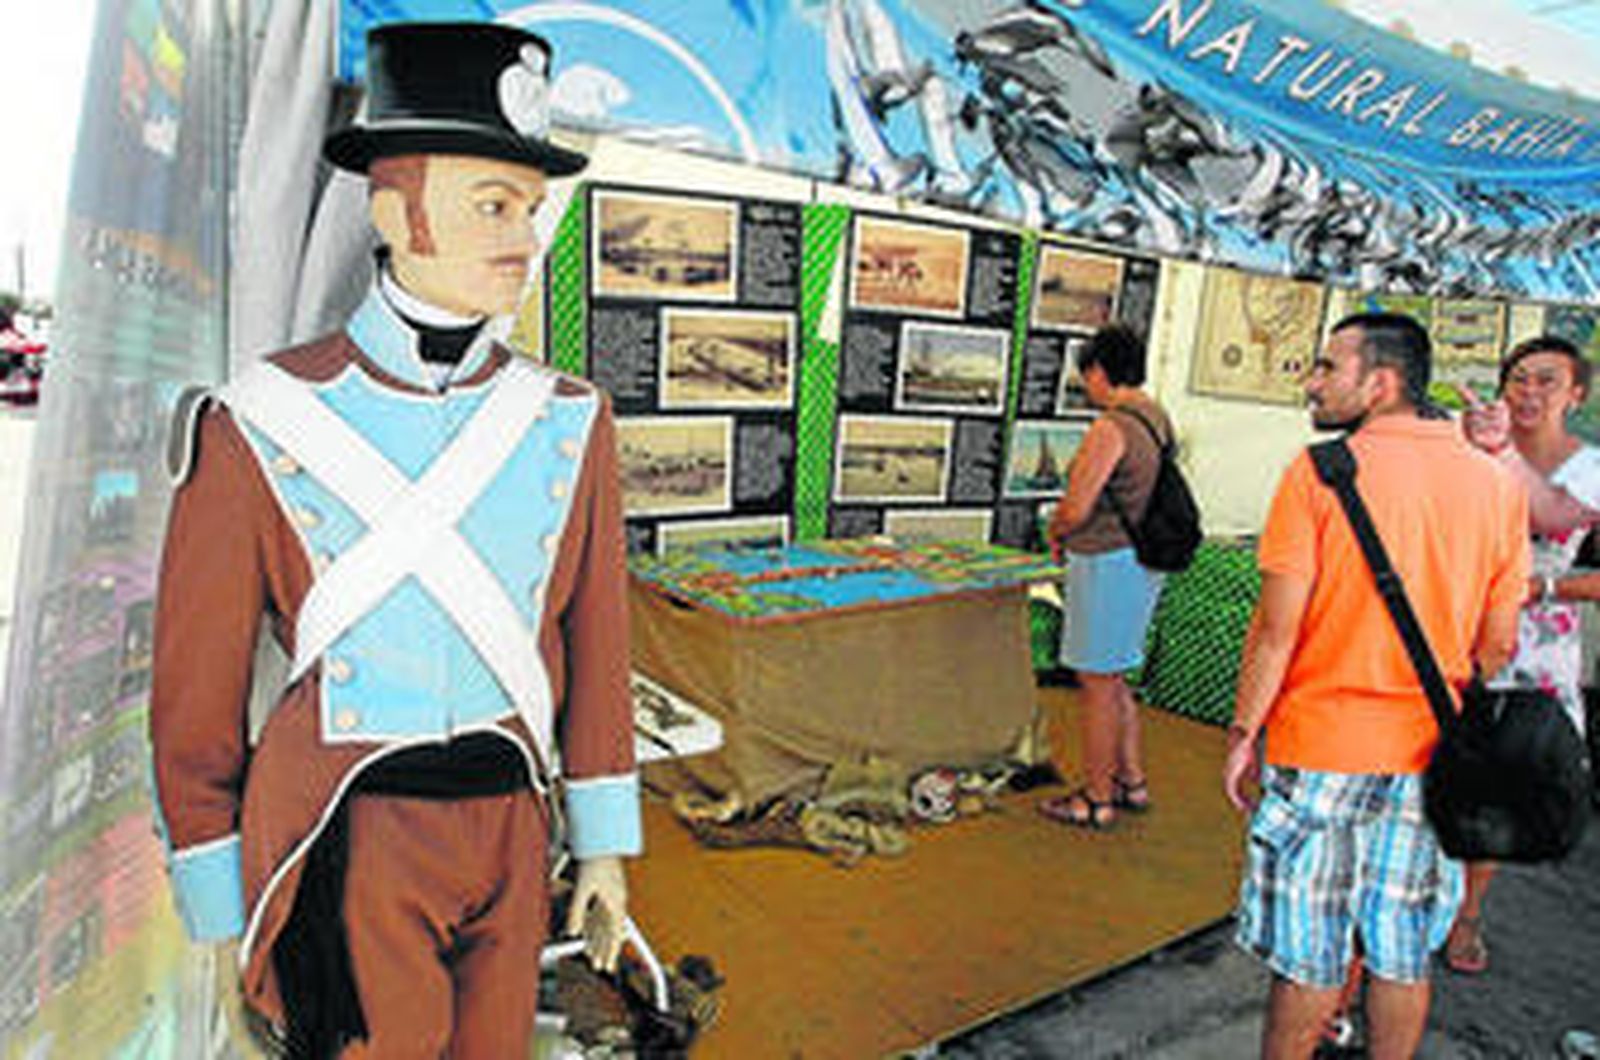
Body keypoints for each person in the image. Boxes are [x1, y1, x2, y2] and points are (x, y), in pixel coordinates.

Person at [149, 23, 639, 1058]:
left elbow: (599, 644)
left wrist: (603, 845)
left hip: (516, 827)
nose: (525, 239)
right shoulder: (257, 421)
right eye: (493, 205)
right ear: (393, 211)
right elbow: (196, 695)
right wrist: (219, 902)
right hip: (346, 835)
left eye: (531, 209)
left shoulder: (571, 418)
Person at [1224, 312, 1529, 1059]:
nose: (1313, 382)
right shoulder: (1496, 485)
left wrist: (1242, 733)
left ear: (1381, 382)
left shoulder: (1318, 472)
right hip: (1434, 755)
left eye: (1329, 367)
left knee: (1310, 955)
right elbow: (1498, 643)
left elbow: (1276, 631)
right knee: (1400, 950)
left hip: (1322, 747)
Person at [1447, 335, 1600, 975]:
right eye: (1518, 379)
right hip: (1452, 631)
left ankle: (1466, 913)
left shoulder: (1587, 470)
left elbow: (1583, 559)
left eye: (1546, 381)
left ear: (1576, 395)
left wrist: (1542, 588)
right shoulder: (1468, 449)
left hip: (1535, 646)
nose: (1529, 392)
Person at [1039, 323, 1173, 829]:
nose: (1085, 384)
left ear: (1099, 370)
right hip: (1140, 561)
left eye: (1086, 374)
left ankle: (1096, 798)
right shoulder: (1156, 416)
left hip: (1105, 562)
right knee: (1114, 680)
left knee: (1095, 685)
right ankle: (1130, 781)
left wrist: (1055, 530)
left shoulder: (1111, 427)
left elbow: (1076, 508)